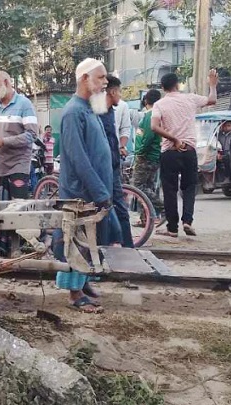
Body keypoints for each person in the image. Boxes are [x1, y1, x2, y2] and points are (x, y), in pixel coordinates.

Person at [53, 58, 116, 313]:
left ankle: (85, 281)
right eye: (100, 78)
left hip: (94, 189)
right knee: (75, 241)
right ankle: (74, 294)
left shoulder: (89, 108)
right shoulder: (72, 112)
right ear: (84, 79)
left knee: (90, 240)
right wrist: (100, 191)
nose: (105, 82)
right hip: (80, 191)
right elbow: (78, 158)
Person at [0, 71, 38, 256]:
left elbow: (31, 135)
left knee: (17, 208)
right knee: (1, 209)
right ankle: (4, 252)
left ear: (6, 82)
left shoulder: (24, 104)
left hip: (18, 165)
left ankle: (18, 249)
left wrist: (4, 141)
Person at [151, 71, 217, 237]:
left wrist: (174, 139)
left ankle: (172, 228)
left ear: (162, 87)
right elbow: (212, 100)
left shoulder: (159, 104)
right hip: (189, 151)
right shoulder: (190, 98)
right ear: (177, 85)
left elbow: (154, 126)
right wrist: (213, 84)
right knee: (189, 188)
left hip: (169, 152)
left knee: (169, 190)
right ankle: (187, 221)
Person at [101, 75, 133, 248]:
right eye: (119, 92)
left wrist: (120, 147)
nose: (120, 96)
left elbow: (118, 134)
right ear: (112, 92)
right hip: (103, 170)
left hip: (112, 167)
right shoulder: (96, 112)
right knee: (106, 210)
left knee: (120, 209)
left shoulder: (111, 111)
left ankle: (128, 248)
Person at [131, 89, 164, 217]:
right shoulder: (153, 115)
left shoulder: (150, 115)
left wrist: (140, 152)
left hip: (146, 156)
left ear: (145, 101)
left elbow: (148, 137)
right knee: (148, 186)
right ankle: (146, 217)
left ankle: (162, 207)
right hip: (151, 156)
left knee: (138, 187)